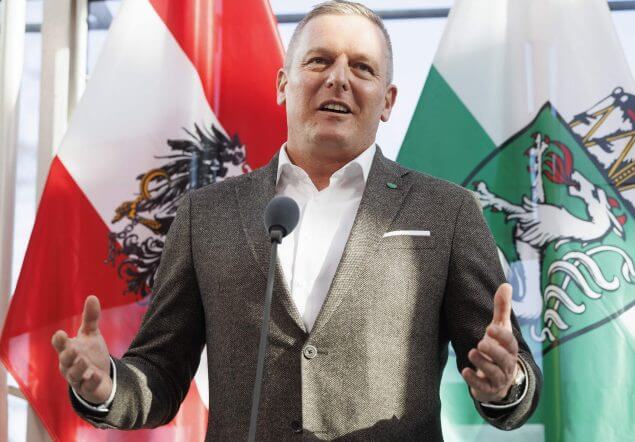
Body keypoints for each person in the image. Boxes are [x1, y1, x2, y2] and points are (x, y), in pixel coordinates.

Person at [52, 1, 541, 439]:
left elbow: (508, 369)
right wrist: (107, 385)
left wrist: (507, 383)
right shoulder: (206, 213)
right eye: (319, 61)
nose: (339, 79)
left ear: (388, 101)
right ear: (283, 84)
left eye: (362, 67)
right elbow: (159, 371)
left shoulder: (447, 211)